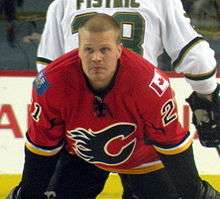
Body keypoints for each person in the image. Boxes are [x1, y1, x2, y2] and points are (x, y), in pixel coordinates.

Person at [6, 13, 220, 199]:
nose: (96, 57)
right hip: (82, 157)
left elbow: (171, 142)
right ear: (78, 50)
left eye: (105, 49)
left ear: (119, 50)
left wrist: (195, 192)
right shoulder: (51, 83)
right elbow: (42, 146)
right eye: (88, 49)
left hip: (145, 160)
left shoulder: (148, 83)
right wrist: (27, 194)